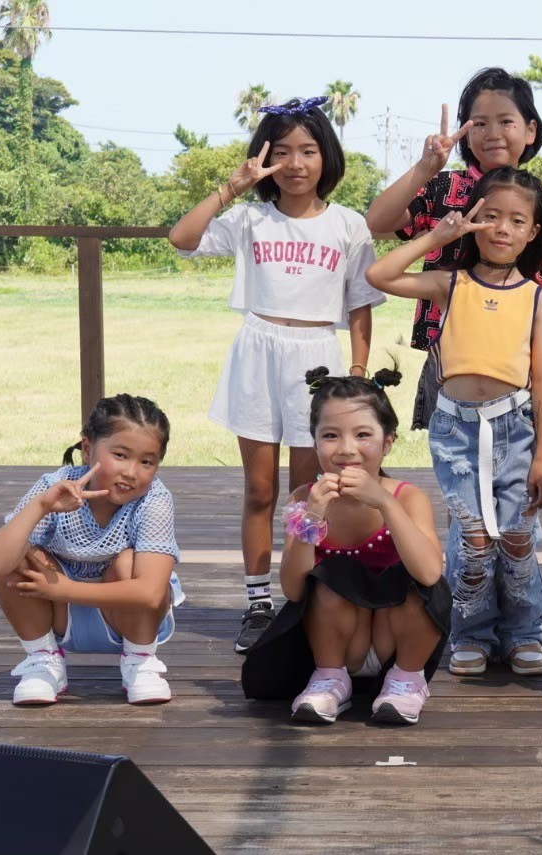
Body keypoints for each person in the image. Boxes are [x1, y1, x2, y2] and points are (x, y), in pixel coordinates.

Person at [169, 96, 384, 654]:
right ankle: (258, 602)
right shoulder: (249, 219)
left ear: (326, 156)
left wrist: (357, 374)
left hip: (318, 356)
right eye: (282, 151)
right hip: (258, 349)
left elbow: (360, 305)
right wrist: (232, 187)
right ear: (264, 157)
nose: (295, 164)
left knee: (308, 491)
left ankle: (302, 595)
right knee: (260, 489)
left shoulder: (349, 225)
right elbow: (182, 238)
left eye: (308, 151)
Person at [366, 167, 542, 677]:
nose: (502, 228)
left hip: (515, 428)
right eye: (490, 216)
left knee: (516, 536)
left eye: (516, 220)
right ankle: (470, 632)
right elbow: (380, 275)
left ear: (533, 232)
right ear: (472, 218)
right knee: (473, 537)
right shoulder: (450, 284)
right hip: (456, 430)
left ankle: (523, 632)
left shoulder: (540, 299)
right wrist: (438, 236)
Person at [365, 67, 542, 424]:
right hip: (449, 363)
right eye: (479, 123)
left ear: (530, 130)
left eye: (506, 121)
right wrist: (425, 169)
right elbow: (376, 223)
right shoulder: (441, 188)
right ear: (465, 131)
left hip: (521, 362)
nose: (492, 134)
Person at [240, 367, 450, 725]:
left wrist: (384, 503)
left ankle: (406, 681)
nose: (347, 449)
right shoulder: (304, 499)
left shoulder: (407, 497)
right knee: (329, 576)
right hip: (338, 645)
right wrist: (312, 518)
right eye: (331, 435)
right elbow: (293, 590)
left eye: (363, 434)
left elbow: (431, 574)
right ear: (314, 443)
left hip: (394, 644)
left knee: (417, 581)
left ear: (387, 442)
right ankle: (330, 679)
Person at [0, 394, 183, 706]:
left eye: (147, 461)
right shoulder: (55, 486)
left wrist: (65, 589)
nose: (132, 472)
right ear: (87, 449)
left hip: (124, 617)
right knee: (17, 554)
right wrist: (41, 506)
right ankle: (43, 661)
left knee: (129, 562)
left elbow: (150, 593)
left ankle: (140, 662)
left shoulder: (154, 499)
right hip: (59, 613)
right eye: (120, 455)